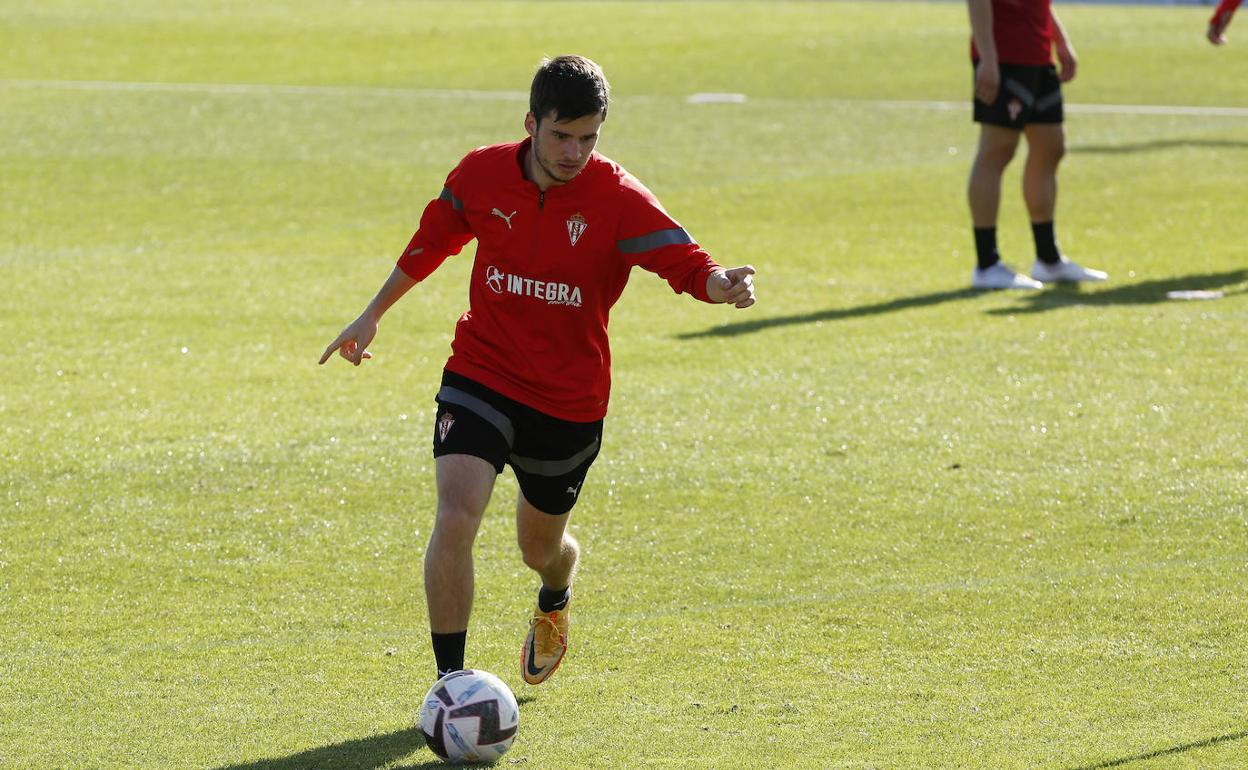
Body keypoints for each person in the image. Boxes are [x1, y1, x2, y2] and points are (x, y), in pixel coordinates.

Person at [319, 55, 756, 686]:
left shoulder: (618, 198)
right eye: (561, 135)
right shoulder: (482, 174)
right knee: (457, 512)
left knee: (539, 550)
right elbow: (433, 239)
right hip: (483, 370)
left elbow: (684, 262)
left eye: (589, 138)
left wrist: (721, 284)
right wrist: (372, 314)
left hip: (568, 400)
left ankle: (556, 594)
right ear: (531, 122)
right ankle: (452, 684)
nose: (574, 151)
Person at [966, 0, 1108, 289]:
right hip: (1004, 55)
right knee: (997, 150)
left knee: (1051, 146)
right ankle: (987, 264)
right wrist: (988, 58)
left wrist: (1061, 40)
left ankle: (1048, 259)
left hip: (1037, 55)